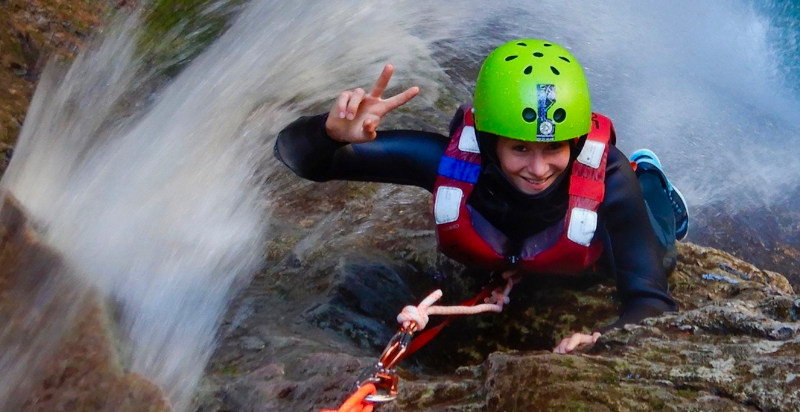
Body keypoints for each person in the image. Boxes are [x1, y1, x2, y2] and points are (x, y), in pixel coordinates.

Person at [274, 39, 688, 354]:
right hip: (521, 248)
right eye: (520, 149)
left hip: (593, 242)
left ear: (576, 143)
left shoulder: (607, 176)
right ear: (490, 144)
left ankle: (650, 178)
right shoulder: (449, 163)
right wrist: (329, 134)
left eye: (554, 148)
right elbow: (305, 160)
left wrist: (604, 338)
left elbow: (650, 300)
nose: (539, 169)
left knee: (662, 253)